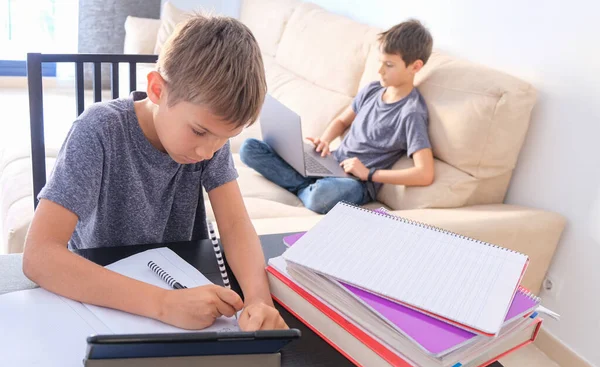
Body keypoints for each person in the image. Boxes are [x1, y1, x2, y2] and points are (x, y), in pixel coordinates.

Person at [22, 14, 287, 332]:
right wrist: (162, 304)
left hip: (183, 287)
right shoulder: (99, 130)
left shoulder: (208, 141)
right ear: (157, 89)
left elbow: (234, 224)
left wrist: (259, 299)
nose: (208, 152)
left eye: (224, 139)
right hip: (102, 293)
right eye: (199, 132)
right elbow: (38, 255)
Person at [240, 19, 435, 214]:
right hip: (331, 163)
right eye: (381, 62)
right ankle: (304, 186)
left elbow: (425, 173)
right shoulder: (372, 90)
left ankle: (303, 186)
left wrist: (369, 174)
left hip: (355, 183)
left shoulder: (411, 113)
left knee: (321, 196)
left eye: (389, 65)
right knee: (249, 149)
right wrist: (324, 141)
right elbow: (342, 121)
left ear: (415, 67)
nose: (380, 71)